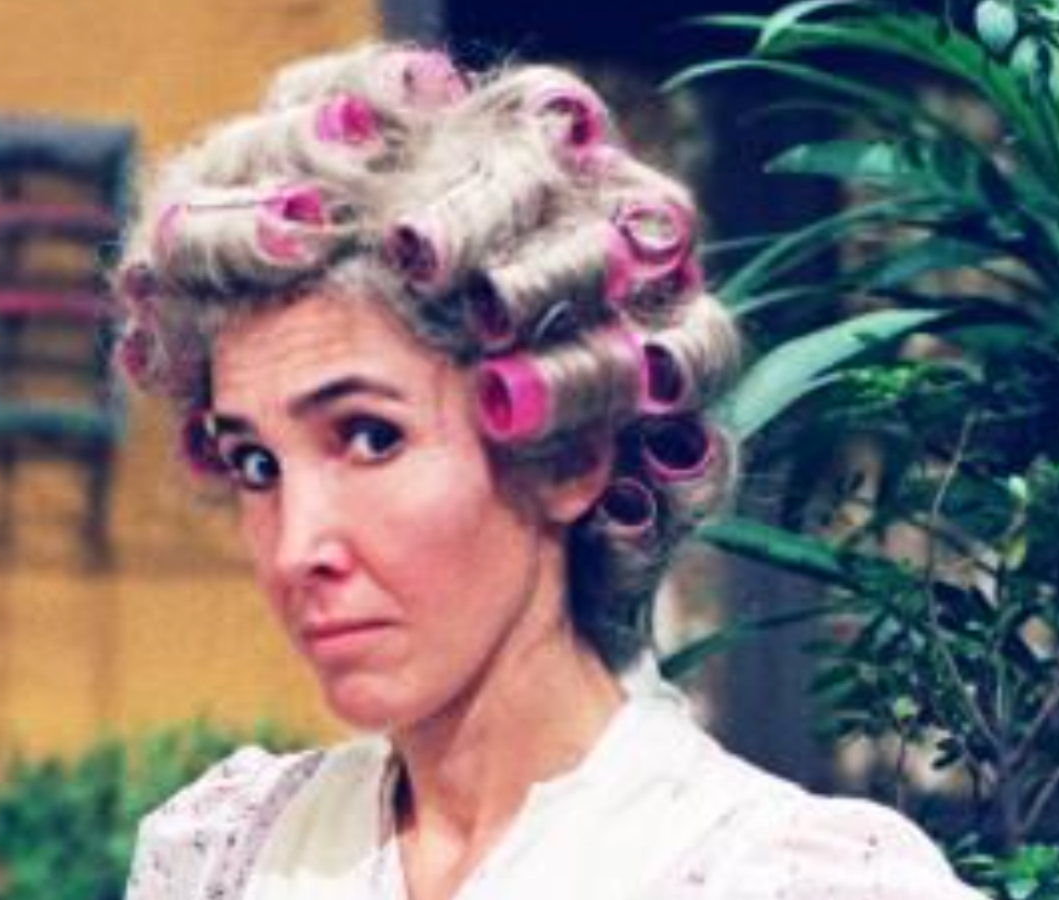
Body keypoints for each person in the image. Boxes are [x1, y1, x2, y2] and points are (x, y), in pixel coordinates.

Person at [112, 42, 983, 900]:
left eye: (370, 437)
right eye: (255, 463)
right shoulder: (226, 855)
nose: (297, 548)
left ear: (568, 456)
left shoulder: (788, 880)